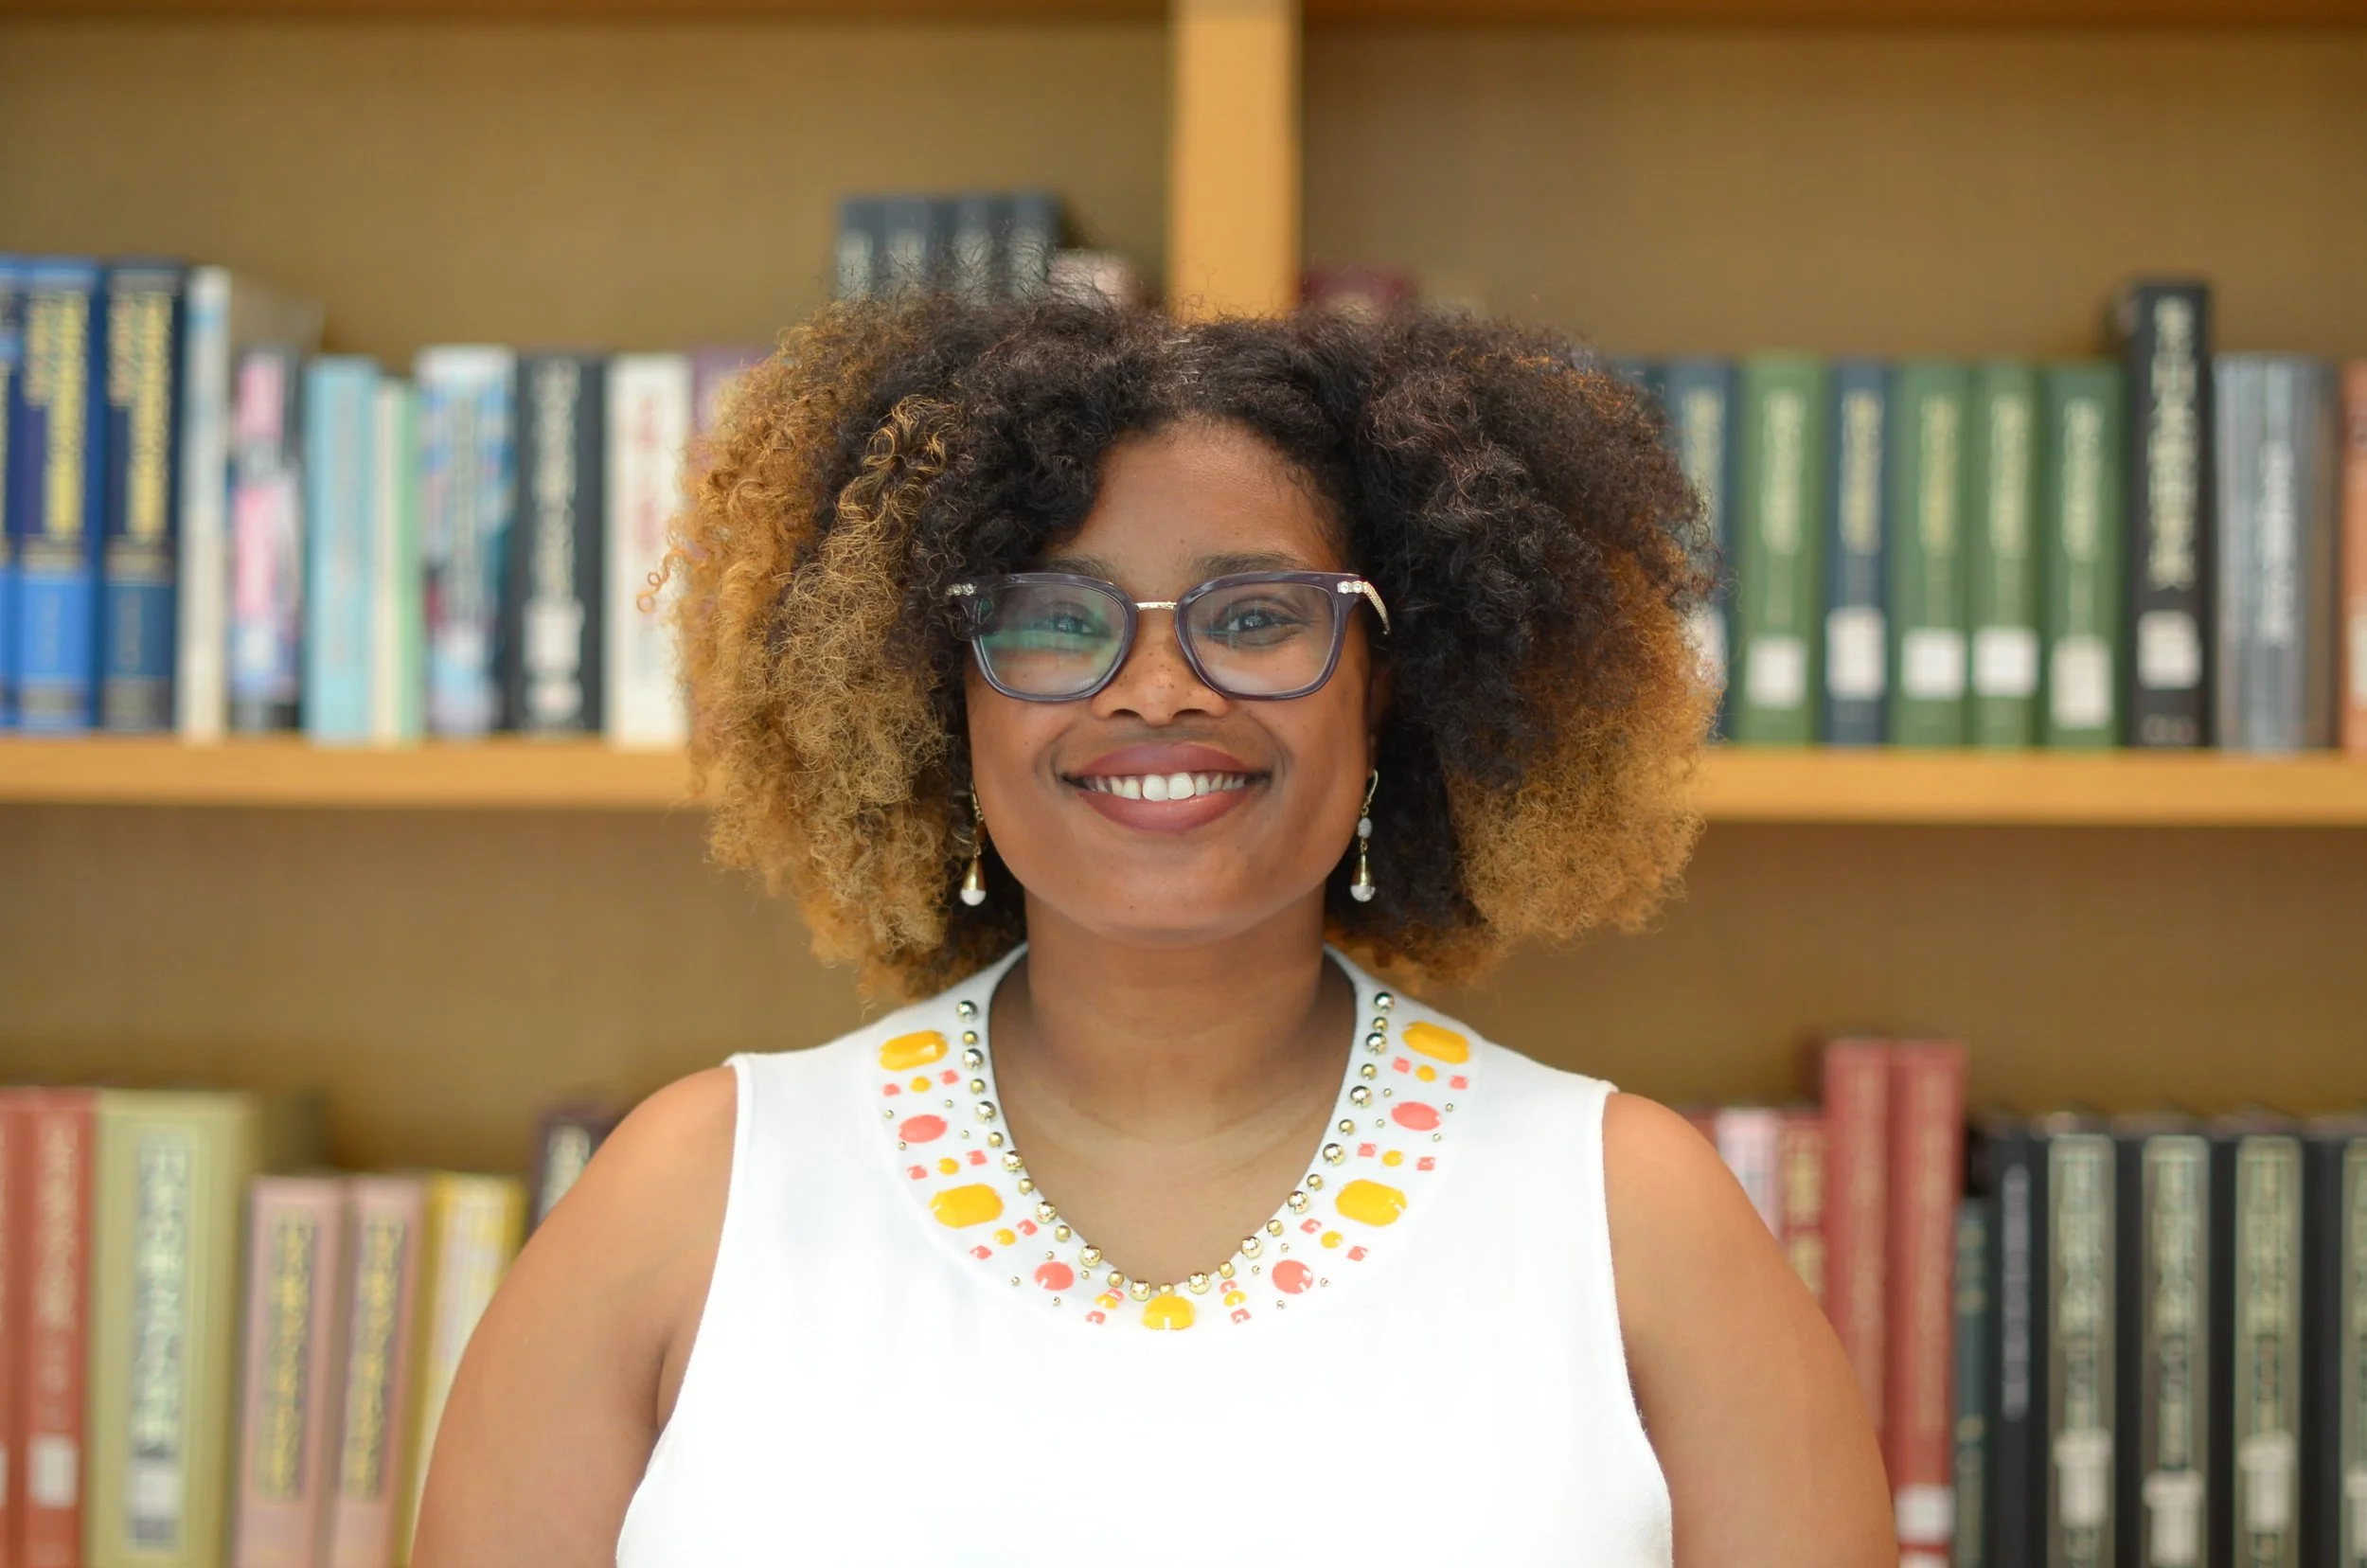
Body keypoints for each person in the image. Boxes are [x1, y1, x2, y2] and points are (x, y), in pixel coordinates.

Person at [412, 297, 1893, 1566]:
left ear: (1389, 682)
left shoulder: (1635, 1219)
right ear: (945, 694)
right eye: (1060, 620)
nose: (1160, 689)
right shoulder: (687, 1199)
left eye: (1256, 617)